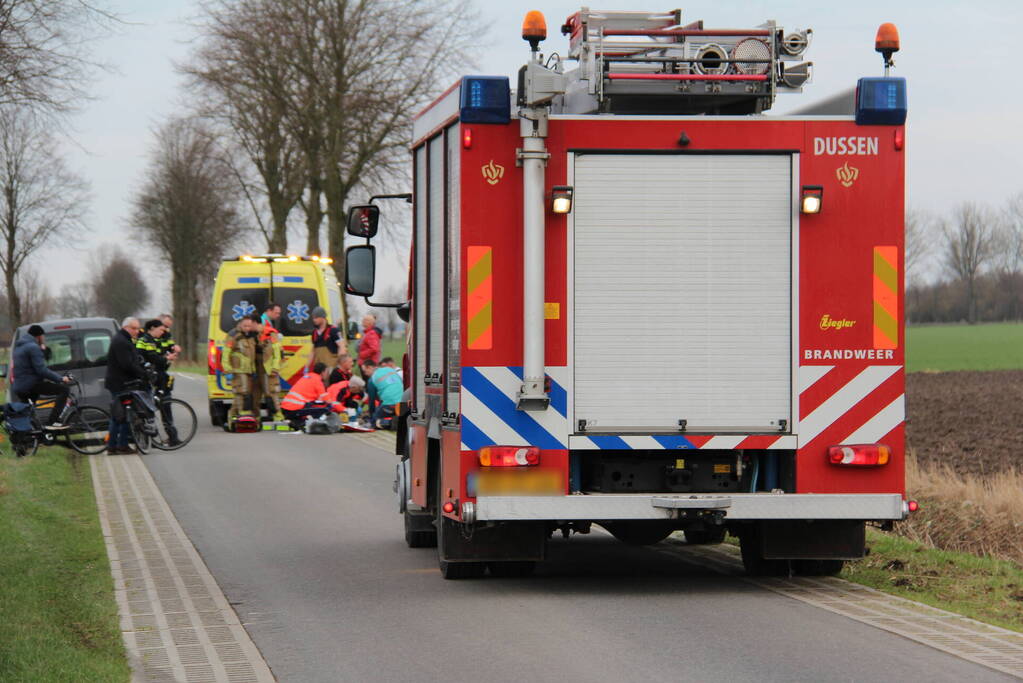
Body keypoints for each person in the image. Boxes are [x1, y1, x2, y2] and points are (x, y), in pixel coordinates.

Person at [11, 324, 72, 430]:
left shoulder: (20, 347)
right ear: (39, 336)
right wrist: (60, 378)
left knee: (28, 415)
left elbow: (29, 366)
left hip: (20, 386)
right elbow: (41, 370)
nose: (43, 338)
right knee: (63, 390)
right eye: (43, 336)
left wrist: (42, 350)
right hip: (31, 385)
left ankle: (25, 438)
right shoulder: (32, 347)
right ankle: (52, 422)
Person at [106, 317, 147, 453]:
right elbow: (127, 364)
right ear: (126, 328)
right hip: (119, 383)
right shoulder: (121, 342)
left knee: (124, 416)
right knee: (118, 416)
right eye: (134, 328)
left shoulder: (124, 339)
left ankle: (121, 445)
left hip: (124, 383)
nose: (137, 331)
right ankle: (112, 446)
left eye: (138, 328)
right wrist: (142, 373)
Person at [136, 319, 179, 445]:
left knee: (164, 404)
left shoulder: (154, 340)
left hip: (160, 376)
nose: (163, 331)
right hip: (150, 378)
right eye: (161, 329)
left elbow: (160, 356)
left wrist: (168, 356)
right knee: (152, 407)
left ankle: (172, 437)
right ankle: (152, 438)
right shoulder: (145, 340)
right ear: (152, 328)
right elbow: (153, 358)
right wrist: (167, 358)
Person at [225, 315, 262, 422]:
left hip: (248, 370)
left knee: (240, 394)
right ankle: (243, 415)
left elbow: (252, 354)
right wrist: (227, 369)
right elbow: (226, 353)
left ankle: (232, 418)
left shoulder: (251, 336)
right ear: (240, 324)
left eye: (249, 326)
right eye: (245, 326)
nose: (247, 328)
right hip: (238, 370)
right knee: (242, 392)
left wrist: (253, 370)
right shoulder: (233, 335)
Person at [363, 359, 402, 428]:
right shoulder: (390, 369)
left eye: (365, 371)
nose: (365, 374)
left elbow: (371, 401)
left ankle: (391, 422)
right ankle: (397, 419)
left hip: (390, 404)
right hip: (402, 403)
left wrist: (372, 416)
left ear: (369, 367)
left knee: (374, 422)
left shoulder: (371, 380)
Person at [260, 318, 285, 421]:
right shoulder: (256, 334)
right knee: (268, 393)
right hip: (263, 369)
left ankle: (277, 415)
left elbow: (277, 352)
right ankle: (273, 414)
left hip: (271, 369)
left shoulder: (271, 333)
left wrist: (274, 368)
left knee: (273, 392)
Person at [308, 306, 345, 371]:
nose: (314, 320)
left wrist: (339, 365)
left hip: (332, 367)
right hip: (319, 369)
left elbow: (342, 347)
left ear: (323, 317)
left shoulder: (333, 330)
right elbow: (313, 351)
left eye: (316, 317)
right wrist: (307, 366)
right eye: (313, 318)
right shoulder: (314, 333)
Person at [357, 314, 382, 378]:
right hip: (366, 363)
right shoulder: (367, 333)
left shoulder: (371, 334)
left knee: (368, 383)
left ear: (370, 323)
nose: (362, 321)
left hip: (368, 365)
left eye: (365, 320)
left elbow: (374, 349)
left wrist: (362, 354)